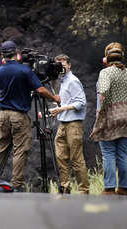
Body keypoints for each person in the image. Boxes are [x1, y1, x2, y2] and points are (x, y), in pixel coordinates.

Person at [0, 40, 60, 191]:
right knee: (20, 149)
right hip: (18, 115)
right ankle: (17, 184)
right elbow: (41, 90)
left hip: (3, 114)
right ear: (16, 53)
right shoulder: (24, 71)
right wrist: (54, 98)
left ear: (3, 55)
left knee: (0, 146)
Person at [90, 42, 127, 196]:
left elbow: (102, 92)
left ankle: (109, 188)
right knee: (123, 153)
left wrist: (100, 114)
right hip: (126, 116)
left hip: (110, 116)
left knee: (108, 153)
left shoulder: (106, 73)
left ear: (107, 58)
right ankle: (123, 188)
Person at [49, 54, 89, 194]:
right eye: (58, 64)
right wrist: (53, 109)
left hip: (74, 125)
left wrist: (61, 109)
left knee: (76, 159)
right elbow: (66, 102)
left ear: (69, 65)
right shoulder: (63, 81)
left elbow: (81, 103)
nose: (60, 66)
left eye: (63, 63)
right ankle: (65, 188)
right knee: (61, 157)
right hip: (63, 124)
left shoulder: (73, 81)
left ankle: (84, 191)